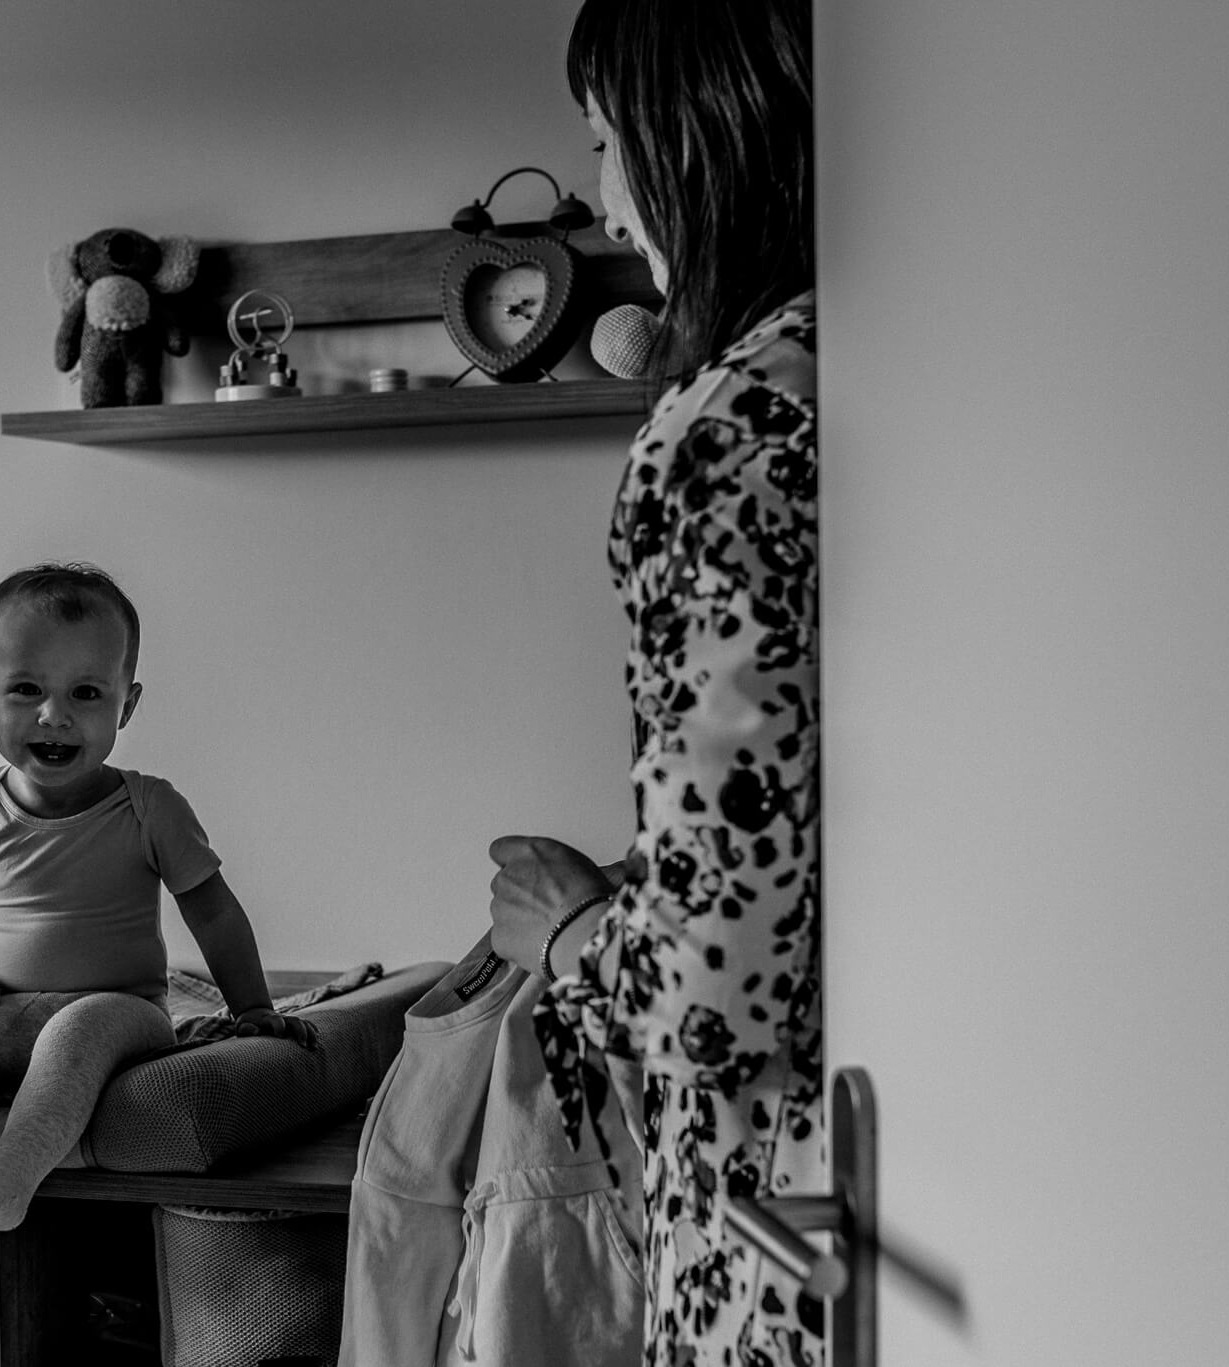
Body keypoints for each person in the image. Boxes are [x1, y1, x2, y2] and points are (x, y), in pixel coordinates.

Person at [486, 1, 821, 1363]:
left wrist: (567, 932)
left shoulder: (733, 425)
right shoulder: (893, 371)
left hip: (777, 1204)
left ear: (698, 135)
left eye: (603, 143)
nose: (611, 206)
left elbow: (712, 984)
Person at [0, 563, 315, 1294]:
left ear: (126, 705)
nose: (54, 715)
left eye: (86, 693)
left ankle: (9, 1175)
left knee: (75, 1034)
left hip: (120, 1007)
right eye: (26, 689)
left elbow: (214, 910)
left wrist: (254, 1006)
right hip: (2, 1006)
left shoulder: (150, 807)